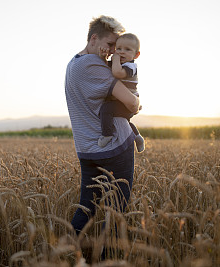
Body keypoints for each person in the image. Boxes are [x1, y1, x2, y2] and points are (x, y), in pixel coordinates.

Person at [64, 15, 140, 260]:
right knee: (116, 213)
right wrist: (137, 104)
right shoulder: (91, 65)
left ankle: (66, 256)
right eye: (109, 44)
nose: (111, 52)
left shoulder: (73, 64)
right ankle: (109, 262)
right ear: (93, 38)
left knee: (86, 209)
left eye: (116, 47)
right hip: (115, 149)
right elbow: (130, 101)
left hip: (87, 150)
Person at [98, 33, 145, 153]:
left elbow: (117, 73)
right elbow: (103, 68)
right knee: (124, 120)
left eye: (127, 49)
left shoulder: (131, 66)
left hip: (127, 102)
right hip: (122, 102)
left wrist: (115, 58)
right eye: (118, 49)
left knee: (105, 109)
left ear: (136, 54)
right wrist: (103, 56)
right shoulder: (118, 64)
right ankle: (137, 137)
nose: (122, 52)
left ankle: (107, 134)